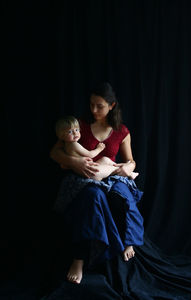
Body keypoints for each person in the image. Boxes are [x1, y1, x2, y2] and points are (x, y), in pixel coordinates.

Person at [50, 82, 144, 284]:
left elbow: (131, 160)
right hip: (85, 176)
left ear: (111, 106)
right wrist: (74, 161)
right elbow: (55, 152)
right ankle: (80, 258)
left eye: (99, 106)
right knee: (94, 196)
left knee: (123, 194)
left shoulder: (122, 131)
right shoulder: (79, 125)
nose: (93, 110)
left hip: (111, 175)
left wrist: (129, 167)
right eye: (91, 104)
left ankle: (129, 242)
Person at [55, 115, 139, 181]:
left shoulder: (122, 130)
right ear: (62, 135)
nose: (75, 133)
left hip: (93, 167)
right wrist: (99, 148)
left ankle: (123, 169)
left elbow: (63, 166)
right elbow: (90, 154)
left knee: (105, 160)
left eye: (77, 130)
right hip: (90, 174)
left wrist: (131, 165)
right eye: (70, 132)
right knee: (98, 171)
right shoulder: (73, 144)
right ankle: (126, 172)